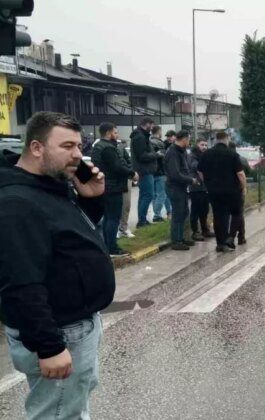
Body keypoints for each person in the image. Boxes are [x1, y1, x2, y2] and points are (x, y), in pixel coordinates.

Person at [0, 111, 115, 419]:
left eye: (79, 146)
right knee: (58, 413)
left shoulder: (48, 186)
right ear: (37, 148)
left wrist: (91, 199)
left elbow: (74, 238)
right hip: (61, 330)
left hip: (76, 323)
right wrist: (49, 346)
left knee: (72, 407)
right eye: (67, 146)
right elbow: (20, 282)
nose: (78, 155)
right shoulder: (17, 202)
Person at [91, 122, 138, 257]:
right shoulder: (108, 148)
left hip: (105, 186)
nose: (117, 135)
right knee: (113, 218)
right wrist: (132, 173)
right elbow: (117, 167)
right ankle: (112, 248)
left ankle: (108, 246)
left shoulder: (98, 146)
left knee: (108, 218)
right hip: (112, 187)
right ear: (108, 133)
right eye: (115, 132)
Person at [198, 131, 247, 253]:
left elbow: (200, 171)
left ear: (215, 140)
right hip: (232, 190)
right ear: (227, 139)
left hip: (214, 191)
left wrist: (207, 182)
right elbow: (240, 174)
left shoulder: (206, 154)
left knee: (218, 216)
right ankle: (230, 237)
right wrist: (244, 187)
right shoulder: (232, 154)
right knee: (236, 213)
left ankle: (220, 244)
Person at [164, 130, 198, 250]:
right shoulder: (173, 152)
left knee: (184, 212)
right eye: (188, 139)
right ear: (184, 139)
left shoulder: (181, 151)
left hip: (181, 187)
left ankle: (182, 238)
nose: (189, 142)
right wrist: (190, 180)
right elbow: (175, 174)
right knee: (178, 214)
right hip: (174, 187)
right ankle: (176, 241)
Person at [130, 117, 159, 228]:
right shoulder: (140, 137)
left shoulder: (141, 136)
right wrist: (156, 155)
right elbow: (142, 156)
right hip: (144, 170)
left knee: (144, 196)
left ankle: (142, 220)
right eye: (151, 125)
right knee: (148, 195)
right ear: (146, 124)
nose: (152, 128)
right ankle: (142, 221)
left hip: (144, 170)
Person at [188, 138, 213, 241]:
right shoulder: (192, 156)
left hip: (205, 187)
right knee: (195, 210)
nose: (204, 147)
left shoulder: (205, 155)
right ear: (197, 145)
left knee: (205, 209)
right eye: (202, 145)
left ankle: (205, 230)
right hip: (196, 186)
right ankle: (195, 232)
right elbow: (197, 168)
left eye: (206, 145)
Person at [228, 142, 250, 245]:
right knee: (239, 213)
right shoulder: (242, 159)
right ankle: (241, 236)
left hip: (228, 189)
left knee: (234, 214)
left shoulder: (226, 158)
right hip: (240, 188)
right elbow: (248, 171)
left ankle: (235, 236)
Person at [149, 125, 172, 222]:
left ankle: (159, 213)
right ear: (159, 132)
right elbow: (164, 158)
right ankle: (157, 215)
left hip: (152, 172)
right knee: (162, 194)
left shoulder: (148, 142)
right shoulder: (159, 143)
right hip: (161, 172)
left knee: (155, 195)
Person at [118, 138, 135, 238]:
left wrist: (129, 173)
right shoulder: (102, 147)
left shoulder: (121, 148)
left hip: (125, 179)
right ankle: (116, 229)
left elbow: (129, 161)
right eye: (115, 132)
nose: (116, 135)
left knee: (126, 205)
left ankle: (123, 228)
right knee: (113, 207)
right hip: (111, 181)